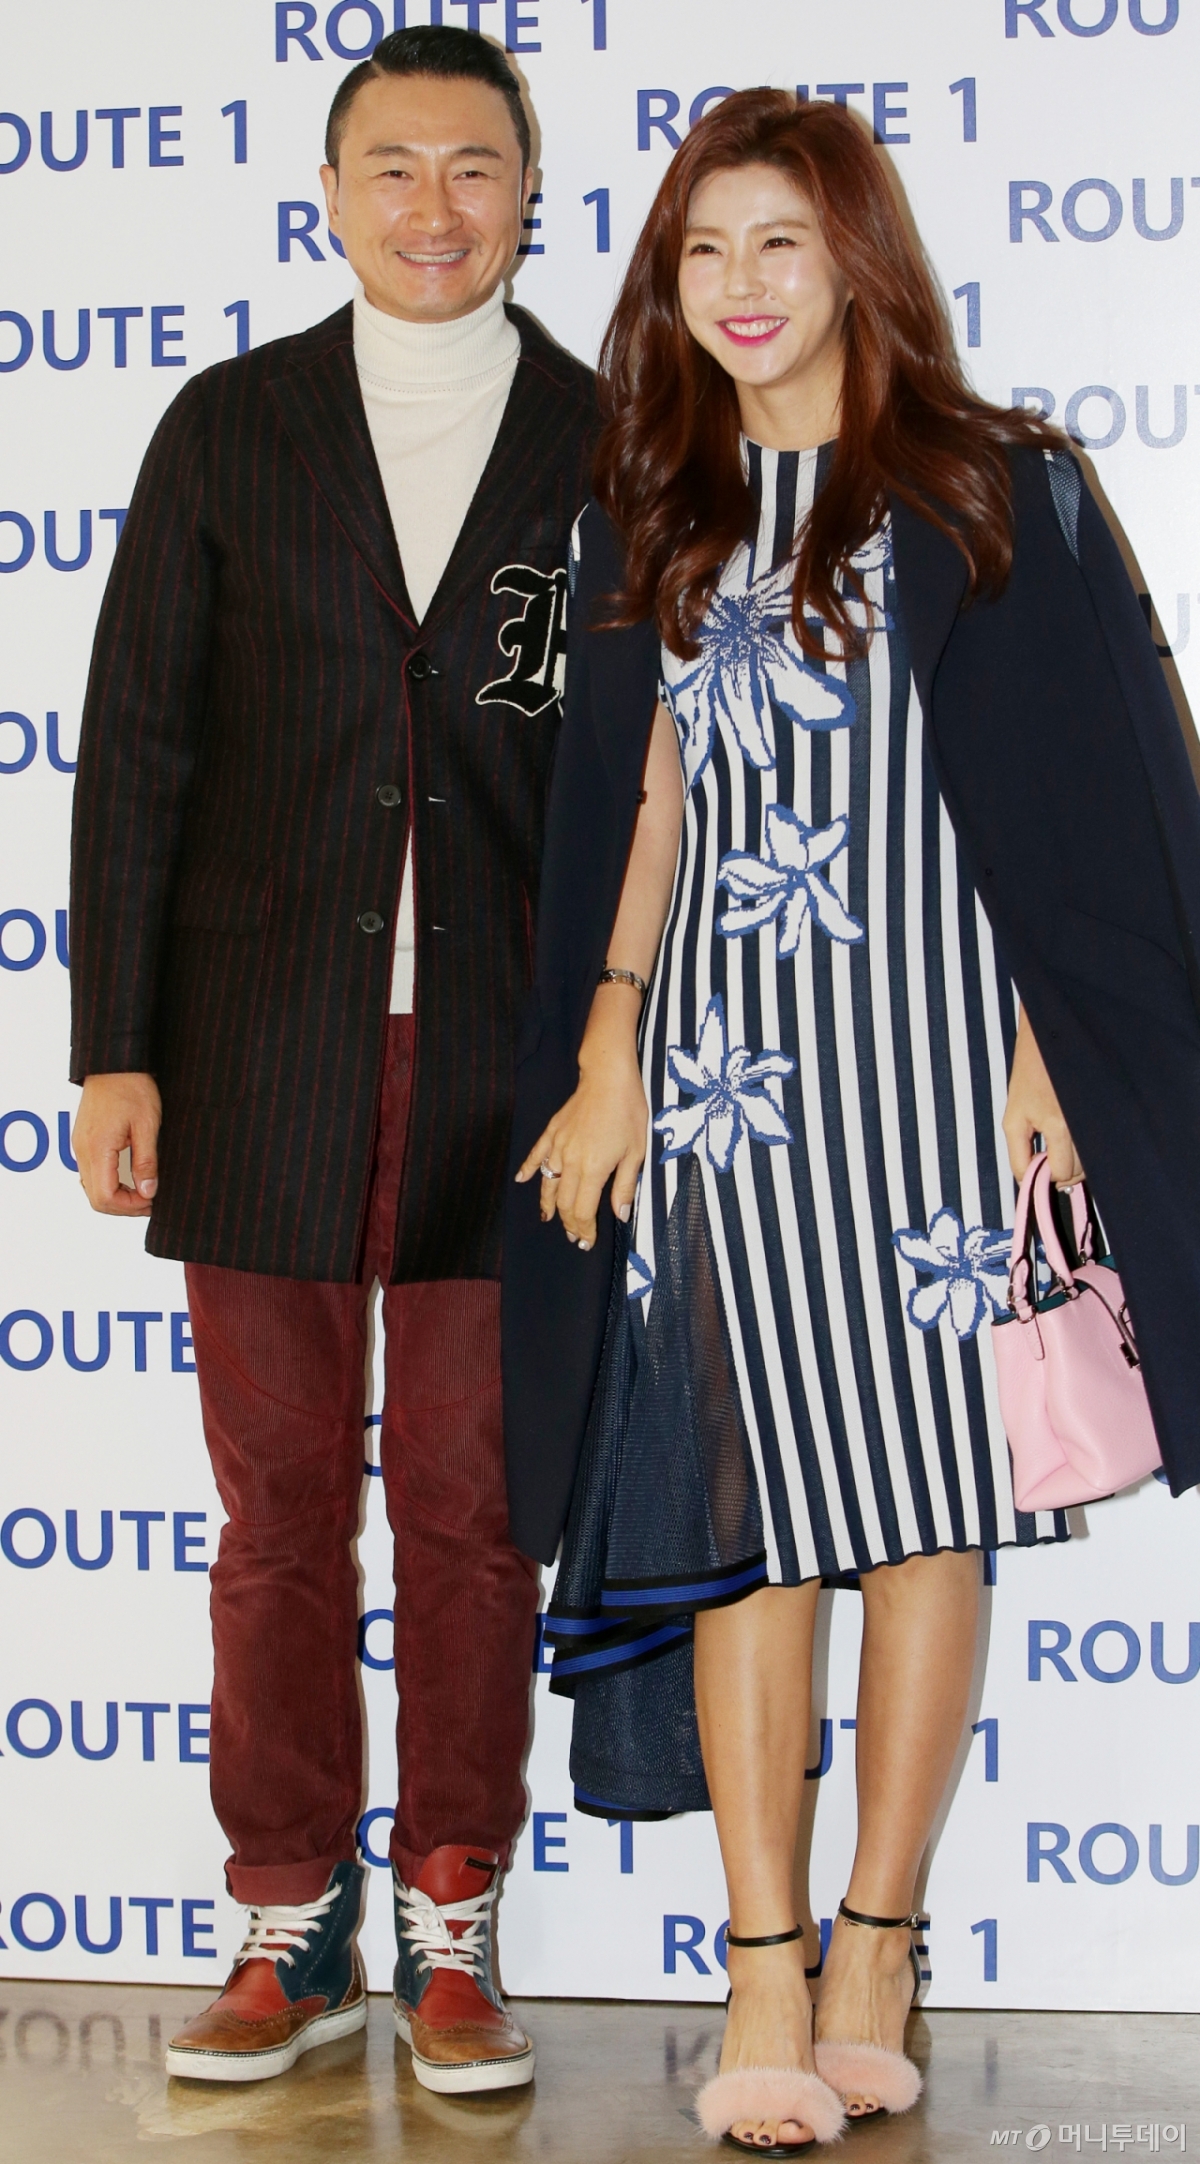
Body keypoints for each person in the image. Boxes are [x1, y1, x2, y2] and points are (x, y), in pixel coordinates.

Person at [504, 90, 1200, 2154]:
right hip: (731, 1085)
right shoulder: (654, 507)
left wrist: (1060, 1048)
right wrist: (611, 1043)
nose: (739, 285)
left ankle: (879, 1941)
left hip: (944, 1077)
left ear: (856, 258)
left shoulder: (995, 489)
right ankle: (761, 1961)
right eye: (703, 249)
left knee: (919, 1509)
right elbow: (644, 803)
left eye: (779, 243)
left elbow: (1114, 782)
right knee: (746, 1523)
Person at [69, 25, 596, 2097]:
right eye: (394, 167)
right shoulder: (230, 423)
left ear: (529, 193)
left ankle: (455, 1912)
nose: (432, 207)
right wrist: (115, 1049)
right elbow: (139, 749)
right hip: (258, 1055)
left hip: (512, 1071)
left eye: (474, 167)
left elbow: (646, 774)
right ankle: (285, 1914)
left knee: (470, 1514)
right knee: (280, 1512)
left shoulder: (609, 435)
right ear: (332, 194)